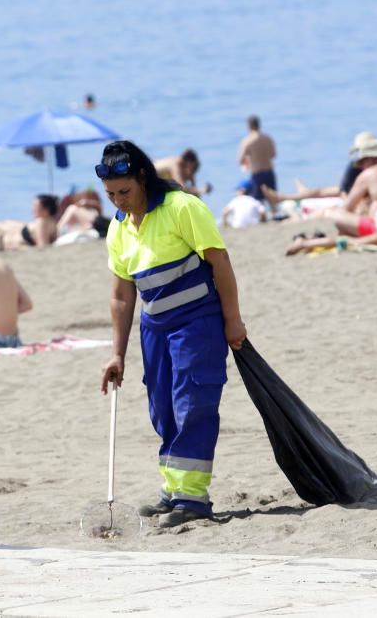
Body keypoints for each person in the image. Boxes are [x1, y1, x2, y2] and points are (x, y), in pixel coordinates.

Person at [97, 140, 247, 528]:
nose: (119, 202)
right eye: (111, 195)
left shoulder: (182, 207)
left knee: (192, 402)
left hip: (197, 320)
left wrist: (233, 320)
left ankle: (193, 499)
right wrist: (117, 354)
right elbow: (121, 295)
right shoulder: (117, 229)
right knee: (162, 407)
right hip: (155, 328)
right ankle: (173, 493)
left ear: (143, 177)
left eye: (125, 192)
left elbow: (220, 263)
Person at [237, 115, 278, 209]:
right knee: (273, 200)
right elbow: (273, 155)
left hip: (257, 174)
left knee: (258, 202)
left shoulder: (247, 141)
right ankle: (275, 215)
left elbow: (239, 160)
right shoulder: (268, 138)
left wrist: (249, 159)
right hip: (269, 172)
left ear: (249, 126)